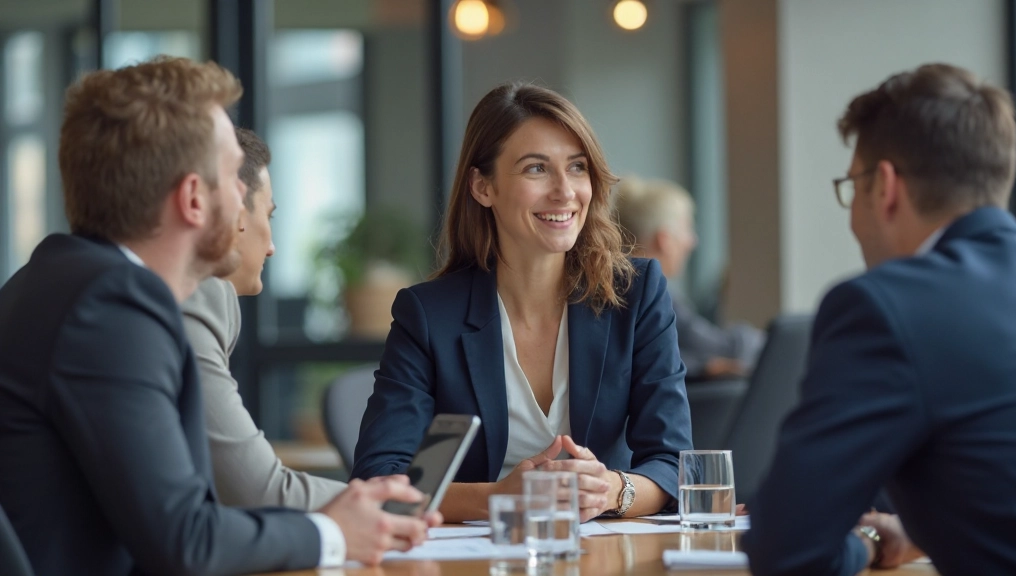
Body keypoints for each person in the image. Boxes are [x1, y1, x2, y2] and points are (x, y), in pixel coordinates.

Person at [0, 56, 435, 576]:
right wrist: (334, 531)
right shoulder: (109, 310)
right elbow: (186, 540)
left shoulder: (59, 281)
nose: (247, 198)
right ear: (192, 199)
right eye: (234, 175)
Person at [351, 82, 693, 523]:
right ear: (482, 186)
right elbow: (383, 479)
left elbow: (673, 465)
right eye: (536, 169)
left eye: (576, 167)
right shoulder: (430, 316)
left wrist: (612, 490)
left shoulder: (635, 293)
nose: (565, 191)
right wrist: (500, 496)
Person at [743, 63, 1016, 575]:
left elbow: (787, 550)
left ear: (886, 186)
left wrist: (868, 543)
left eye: (852, 187)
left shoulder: (885, 308)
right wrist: (922, 533)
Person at [181, 127, 347, 509]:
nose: (271, 247)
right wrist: (390, 504)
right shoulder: (199, 296)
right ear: (236, 209)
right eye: (268, 215)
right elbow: (258, 490)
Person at [614, 176, 764, 377]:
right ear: (664, 240)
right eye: (687, 229)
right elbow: (719, 347)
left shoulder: (616, 284)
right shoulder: (650, 291)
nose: (692, 241)